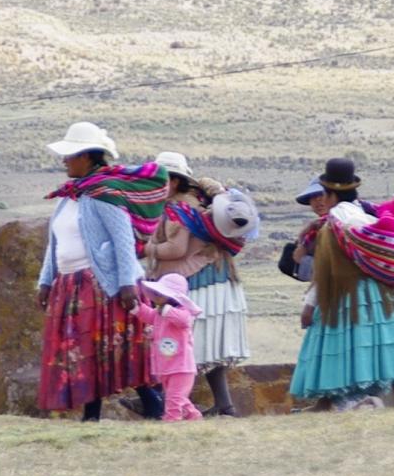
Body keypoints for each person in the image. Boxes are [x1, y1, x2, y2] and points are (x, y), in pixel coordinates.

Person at [37, 123, 169, 421]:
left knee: (118, 348)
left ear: (87, 157)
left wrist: (125, 283)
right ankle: (92, 413)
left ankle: (153, 405)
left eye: (69, 155)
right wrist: (46, 280)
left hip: (101, 284)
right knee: (85, 350)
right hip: (70, 283)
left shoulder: (103, 194)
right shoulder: (69, 197)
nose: (64, 161)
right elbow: (54, 243)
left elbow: (122, 239)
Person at [290, 194, 394, 411]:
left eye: (322, 196)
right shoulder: (367, 217)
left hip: (342, 295)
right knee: (386, 343)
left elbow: (325, 272)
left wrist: (309, 304)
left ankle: (330, 403)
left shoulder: (331, 228)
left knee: (336, 346)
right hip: (379, 294)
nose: (317, 202)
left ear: (331, 195)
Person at [146, 151, 258, 416]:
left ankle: (161, 401)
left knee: (181, 341)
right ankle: (223, 404)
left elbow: (175, 249)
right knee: (209, 343)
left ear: (173, 181)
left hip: (196, 280)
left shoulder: (178, 208)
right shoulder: (198, 201)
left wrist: (147, 247)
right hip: (218, 277)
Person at [132, 273, 204, 422]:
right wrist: (136, 308)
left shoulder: (181, 312)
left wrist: (165, 310)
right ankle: (194, 418)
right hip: (166, 367)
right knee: (179, 399)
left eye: (160, 293)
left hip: (181, 367)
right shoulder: (159, 313)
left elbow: (184, 321)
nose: (156, 296)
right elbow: (149, 316)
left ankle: (171, 422)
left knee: (174, 400)